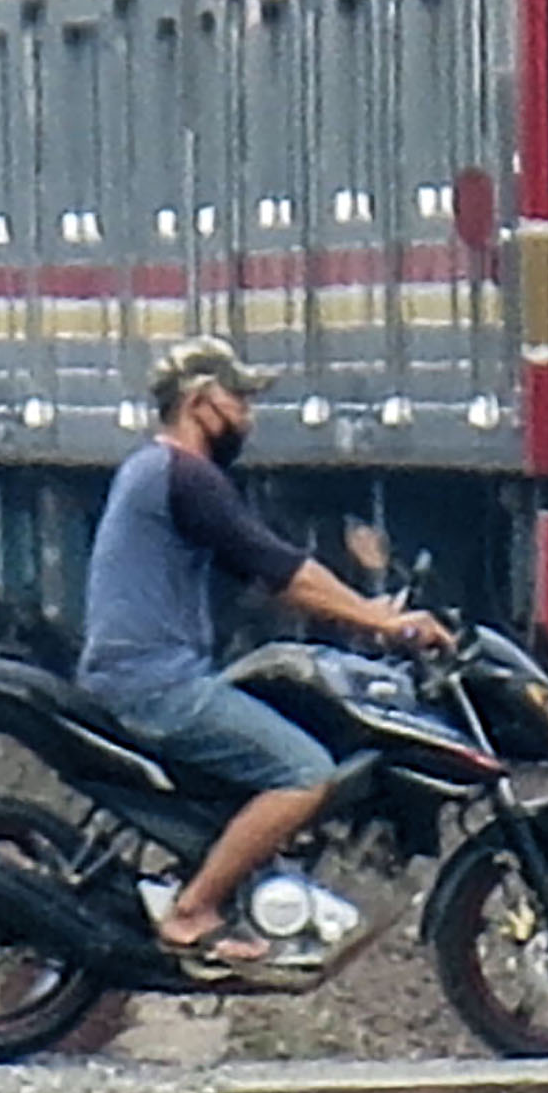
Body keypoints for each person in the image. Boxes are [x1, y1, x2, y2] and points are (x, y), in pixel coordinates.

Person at [80, 339, 449, 971]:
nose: (249, 417)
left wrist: (357, 608)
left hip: (146, 673)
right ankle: (193, 911)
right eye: (241, 401)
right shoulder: (186, 474)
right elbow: (284, 571)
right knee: (305, 772)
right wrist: (383, 623)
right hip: (155, 685)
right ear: (201, 403)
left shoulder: (153, 471)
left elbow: (266, 580)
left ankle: (242, 885)